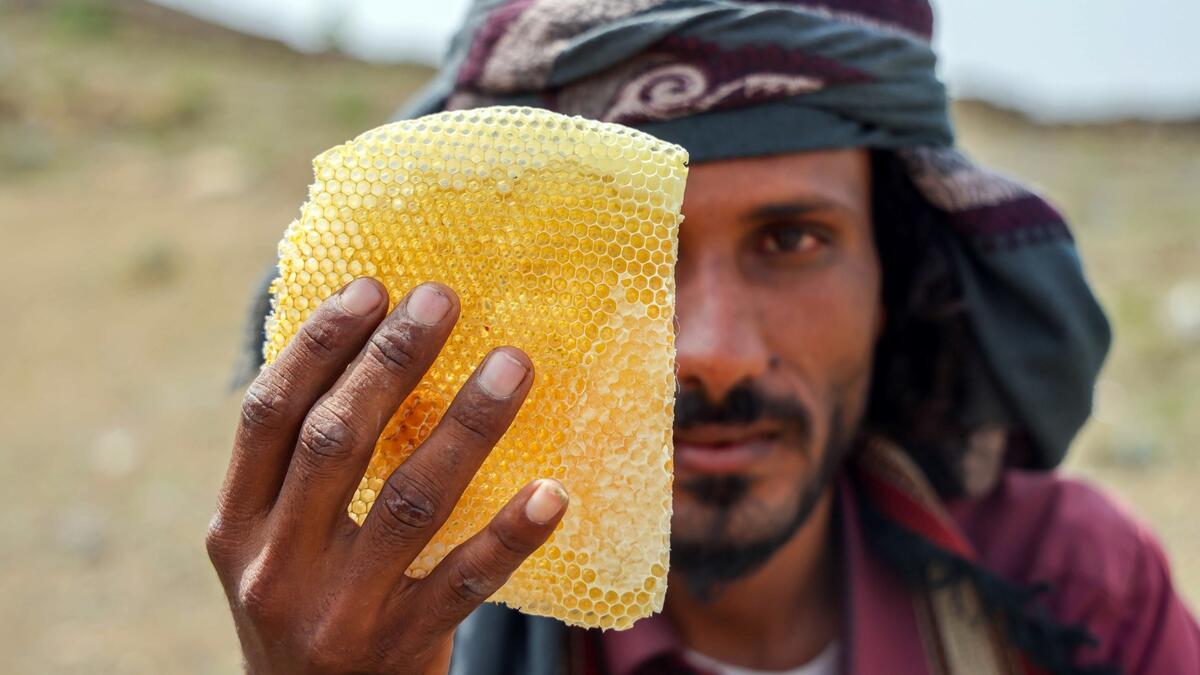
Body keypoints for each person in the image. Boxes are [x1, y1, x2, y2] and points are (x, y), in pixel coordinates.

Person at [205, 1, 1200, 673]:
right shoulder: (405, 644)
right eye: (633, 258)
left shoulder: (1076, 590)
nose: (715, 350)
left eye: (793, 239)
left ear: (896, 279)